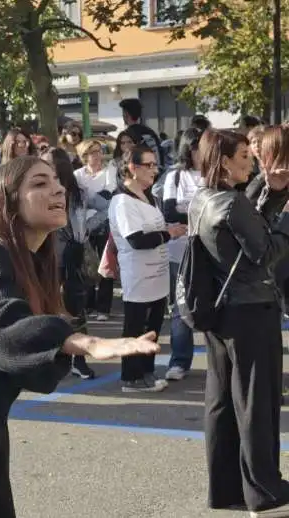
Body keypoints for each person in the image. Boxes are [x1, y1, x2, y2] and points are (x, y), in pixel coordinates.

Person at [0, 156, 160, 518]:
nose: (57, 189)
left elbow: (14, 353)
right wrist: (83, 342)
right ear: (7, 200)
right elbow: (1, 329)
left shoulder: (30, 259)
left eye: (56, 181)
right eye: (39, 183)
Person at [192, 128, 289, 517]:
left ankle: (227, 488)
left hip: (220, 312)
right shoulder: (232, 204)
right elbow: (266, 251)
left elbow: (248, 225)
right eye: (245, 157)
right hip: (250, 311)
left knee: (222, 403)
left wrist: (276, 192)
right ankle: (266, 493)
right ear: (225, 160)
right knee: (256, 403)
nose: (253, 163)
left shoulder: (204, 199)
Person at [109, 146, 179, 392]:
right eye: (148, 165)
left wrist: (168, 232)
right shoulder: (122, 201)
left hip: (157, 275)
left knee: (153, 326)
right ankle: (131, 377)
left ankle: (147, 372)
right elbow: (137, 241)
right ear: (132, 168)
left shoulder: (149, 196)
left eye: (155, 164)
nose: (154, 170)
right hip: (138, 275)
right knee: (136, 327)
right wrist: (168, 234)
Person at [43, 147, 109, 380]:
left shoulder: (78, 192)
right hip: (49, 254)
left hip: (72, 254)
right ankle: (56, 358)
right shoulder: (43, 193)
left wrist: (87, 229)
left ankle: (77, 360)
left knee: (75, 308)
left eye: (49, 166)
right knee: (50, 306)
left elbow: (107, 208)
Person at [161, 128, 203, 381]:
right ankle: (179, 361)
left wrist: (185, 208)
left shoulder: (216, 173)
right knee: (180, 307)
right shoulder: (175, 176)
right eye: (199, 146)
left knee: (216, 304)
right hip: (180, 250)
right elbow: (169, 212)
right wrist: (201, 210)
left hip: (211, 248)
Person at [74, 139, 116, 322]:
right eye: (93, 152)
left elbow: (108, 196)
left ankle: (103, 308)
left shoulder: (110, 171)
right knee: (87, 265)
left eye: (100, 151)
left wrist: (88, 198)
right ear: (85, 155)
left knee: (106, 266)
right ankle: (88, 304)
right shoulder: (77, 174)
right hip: (84, 226)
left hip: (105, 224)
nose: (97, 155)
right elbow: (77, 199)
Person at [119, 98, 164, 171]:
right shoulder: (150, 132)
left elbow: (124, 161)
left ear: (126, 114)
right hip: (155, 173)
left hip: (138, 176)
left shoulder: (126, 135)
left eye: (123, 113)